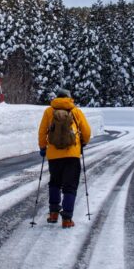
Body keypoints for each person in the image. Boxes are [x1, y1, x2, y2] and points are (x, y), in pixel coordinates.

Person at [38, 88, 92, 228]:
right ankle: (67, 219)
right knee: (70, 186)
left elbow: (42, 131)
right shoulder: (75, 111)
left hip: (54, 155)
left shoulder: (49, 111)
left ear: (57, 97)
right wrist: (83, 143)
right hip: (72, 155)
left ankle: (54, 213)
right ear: (69, 97)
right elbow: (86, 131)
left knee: (55, 182)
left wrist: (43, 147)